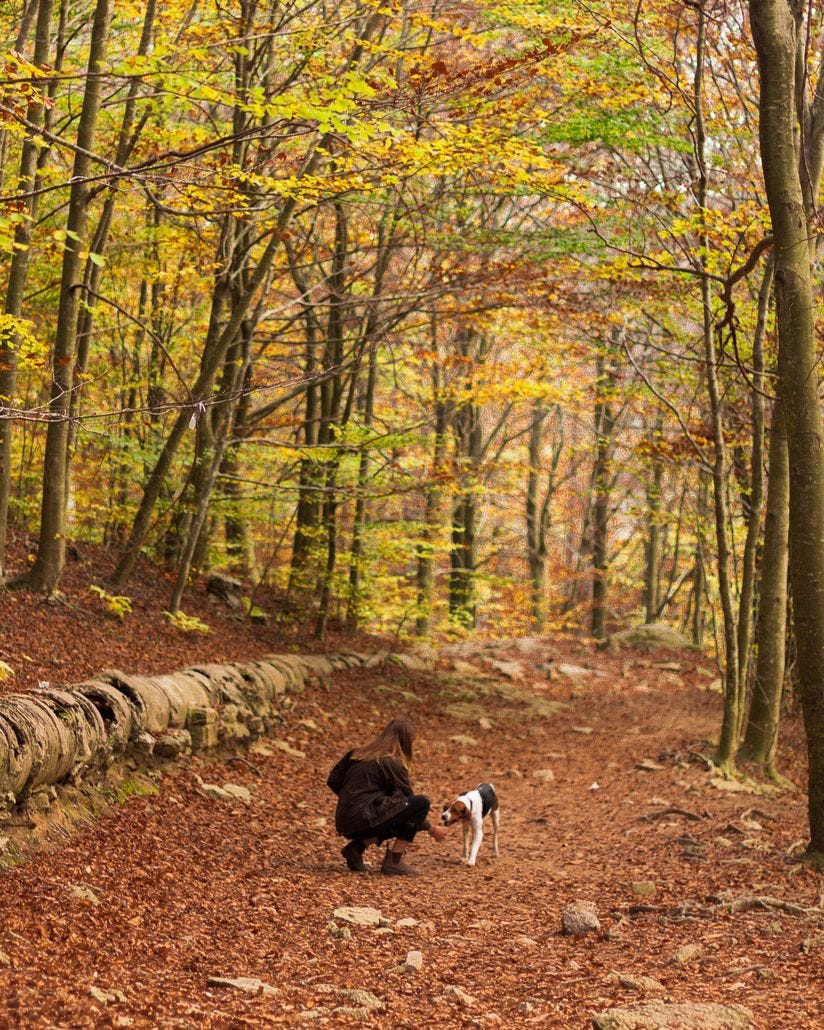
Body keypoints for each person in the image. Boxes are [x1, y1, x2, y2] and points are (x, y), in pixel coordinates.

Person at [326, 716, 447, 876]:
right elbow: (410, 805)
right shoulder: (392, 763)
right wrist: (431, 828)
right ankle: (394, 861)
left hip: (344, 821)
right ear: (406, 741)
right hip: (364, 819)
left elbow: (333, 781)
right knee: (421, 803)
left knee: (389, 811)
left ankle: (356, 849)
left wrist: (351, 800)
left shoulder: (357, 754)